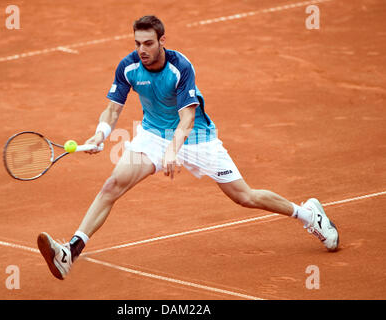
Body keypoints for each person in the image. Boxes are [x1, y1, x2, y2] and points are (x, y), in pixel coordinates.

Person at [37, 15, 339, 280]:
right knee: (112, 185)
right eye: (137, 43)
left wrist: (173, 149)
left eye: (148, 43)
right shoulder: (128, 66)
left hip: (197, 139)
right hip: (153, 135)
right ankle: (70, 252)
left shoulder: (180, 67)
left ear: (161, 41)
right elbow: (113, 109)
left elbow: (187, 118)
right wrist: (101, 134)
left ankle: (308, 215)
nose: (142, 49)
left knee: (245, 197)